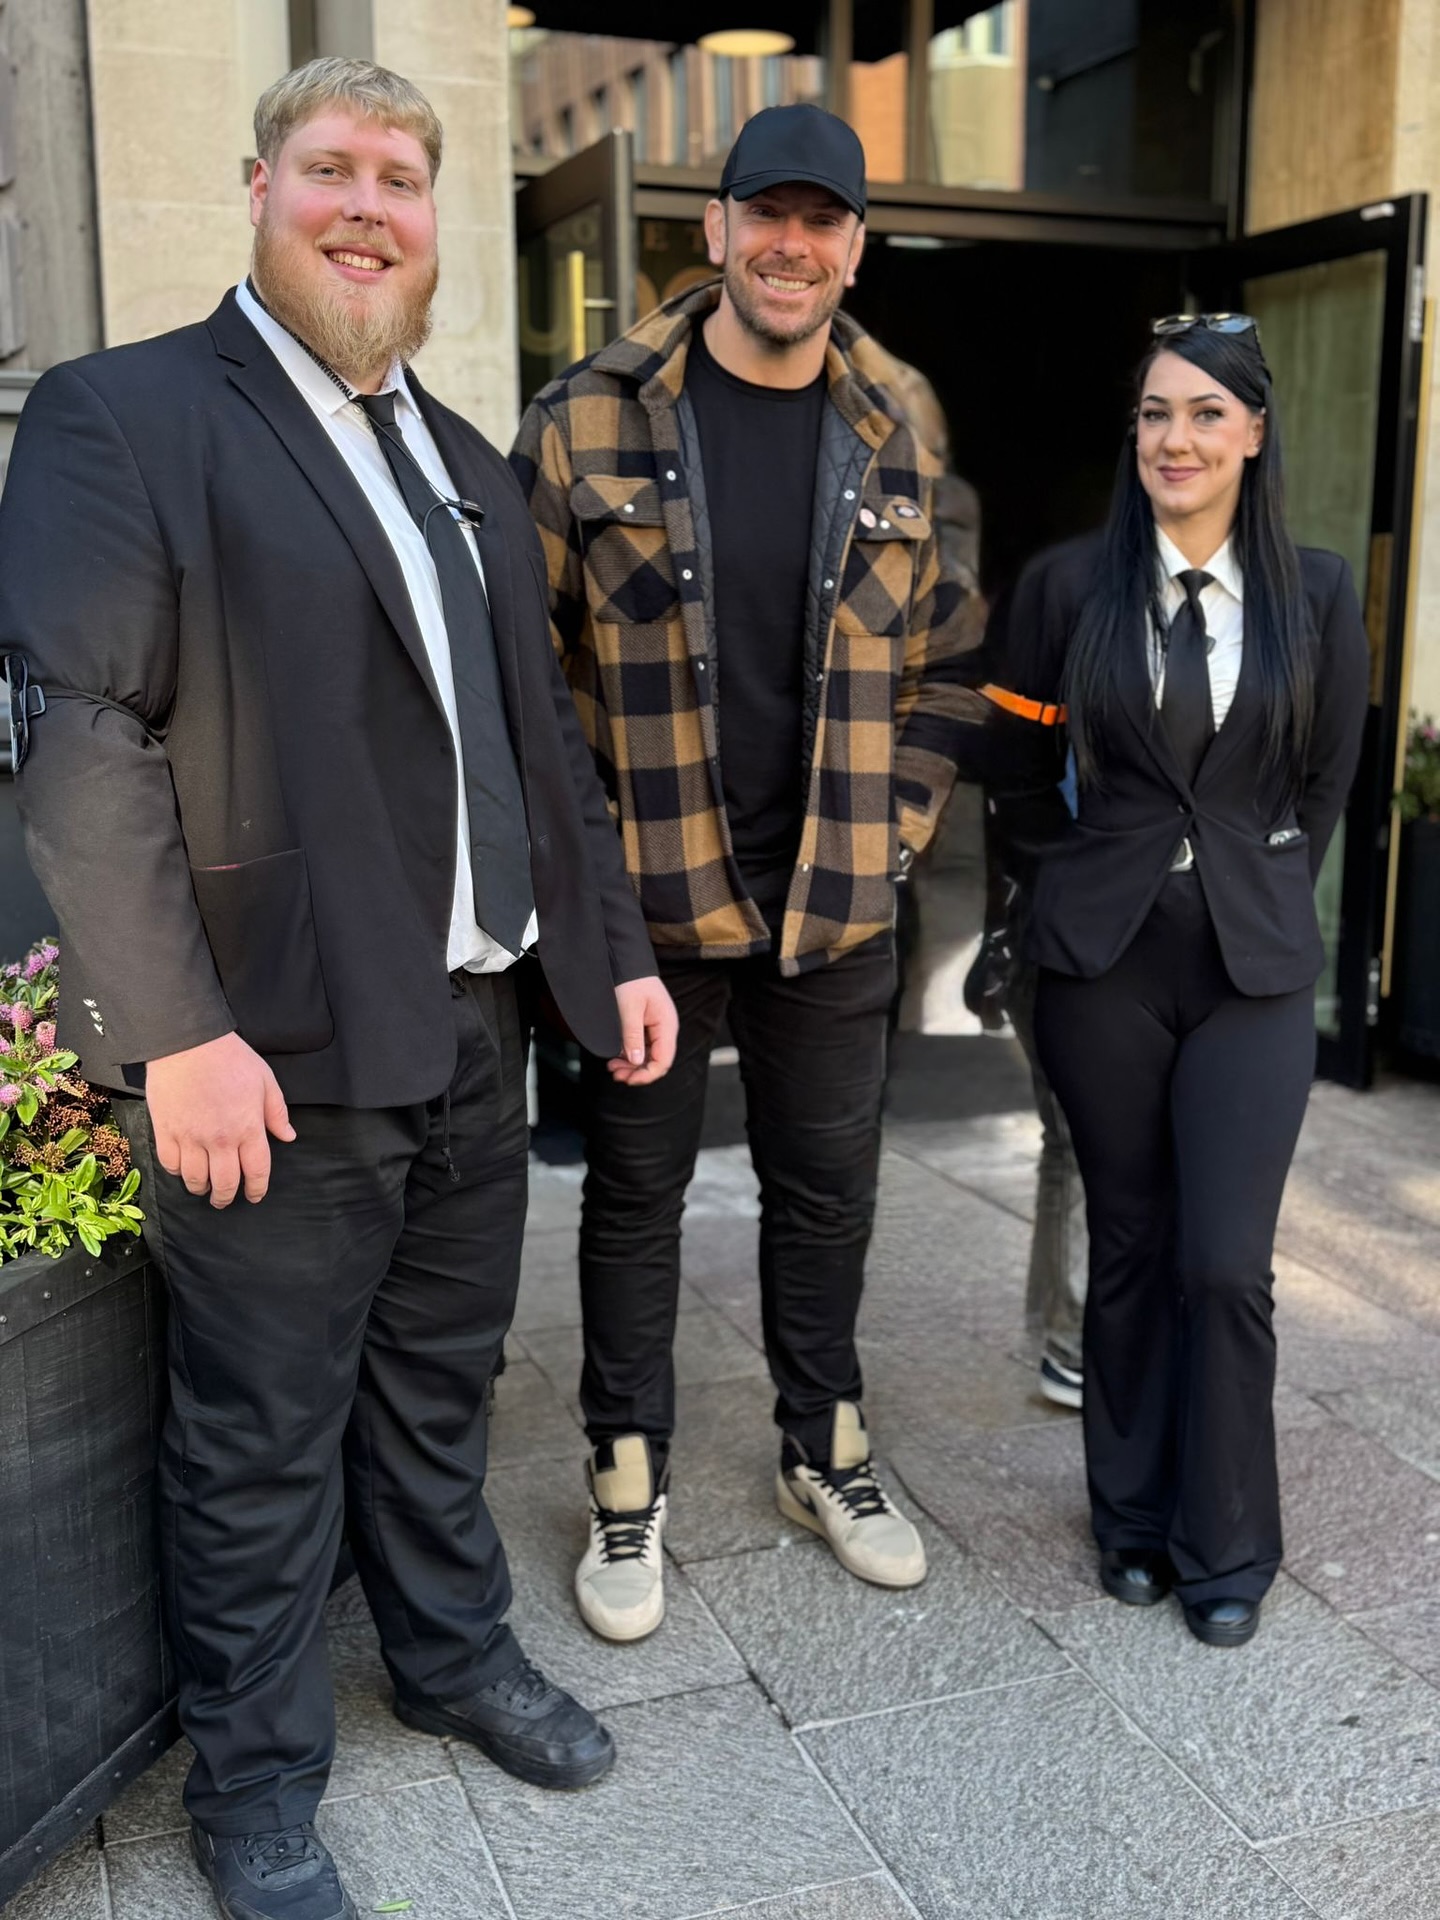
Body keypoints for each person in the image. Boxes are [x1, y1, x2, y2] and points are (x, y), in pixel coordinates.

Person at [0, 57, 676, 1920]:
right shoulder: (126, 415)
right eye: (332, 169)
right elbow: (82, 738)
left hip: (468, 1028)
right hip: (268, 1053)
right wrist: (178, 1036)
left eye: (400, 175)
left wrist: (608, 958)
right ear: (260, 190)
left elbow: (539, 748)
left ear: (435, 220)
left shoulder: (466, 464)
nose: (368, 205)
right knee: (258, 1441)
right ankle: (258, 1787)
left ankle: (448, 1658)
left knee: (441, 1391)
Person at [512, 103, 982, 1642]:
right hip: (652, 908)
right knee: (634, 1197)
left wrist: (893, 834)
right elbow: (526, 680)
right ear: (713, 230)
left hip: (834, 904)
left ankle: (821, 1448)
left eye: (820, 220)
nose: (791, 244)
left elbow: (953, 665)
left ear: (854, 247)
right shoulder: (586, 419)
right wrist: (587, 892)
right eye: (764, 214)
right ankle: (625, 1477)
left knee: (828, 1192)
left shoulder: (900, 422)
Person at [982, 314, 1367, 1645]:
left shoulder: (1319, 594)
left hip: (1250, 971)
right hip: (1103, 966)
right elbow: (1012, 774)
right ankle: (1133, 1521)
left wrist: (1251, 880)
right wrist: (1083, 878)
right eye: (1156, 413)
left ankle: (1229, 1544)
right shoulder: (1063, 588)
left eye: (1206, 413)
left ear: (1253, 431)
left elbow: (1323, 786)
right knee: (1134, 1244)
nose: (1177, 439)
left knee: (1226, 1263)